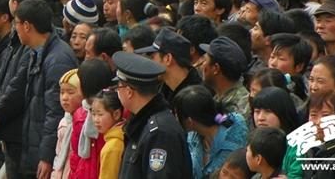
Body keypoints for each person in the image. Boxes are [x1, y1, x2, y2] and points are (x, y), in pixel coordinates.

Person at [0, 0, 77, 179]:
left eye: (17, 23)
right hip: (30, 145)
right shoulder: (36, 51)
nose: (15, 28)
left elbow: (55, 112)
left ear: (27, 26)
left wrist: (46, 157)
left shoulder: (57, 60)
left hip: (44, 154)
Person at [113, 51, 192, 179]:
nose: (117, 91)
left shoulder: (160, 133)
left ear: (128, 92)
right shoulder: (141, 123)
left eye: (118, 86)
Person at [174, 85, 248, 179]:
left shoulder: (232, 140)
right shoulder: (193, 136)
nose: (175, 119)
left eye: (177, 115)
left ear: (189, 121)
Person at [200, 36, 250, 115]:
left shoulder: (239, 108)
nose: (201, 65)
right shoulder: (220, 98)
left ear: (215, 68)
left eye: (205, 60)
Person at [91, 89, 125, 179]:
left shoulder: (112, 147)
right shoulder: (124, 134)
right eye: (93, 114)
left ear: (116, 114)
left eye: (100, 114)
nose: (96, 120)